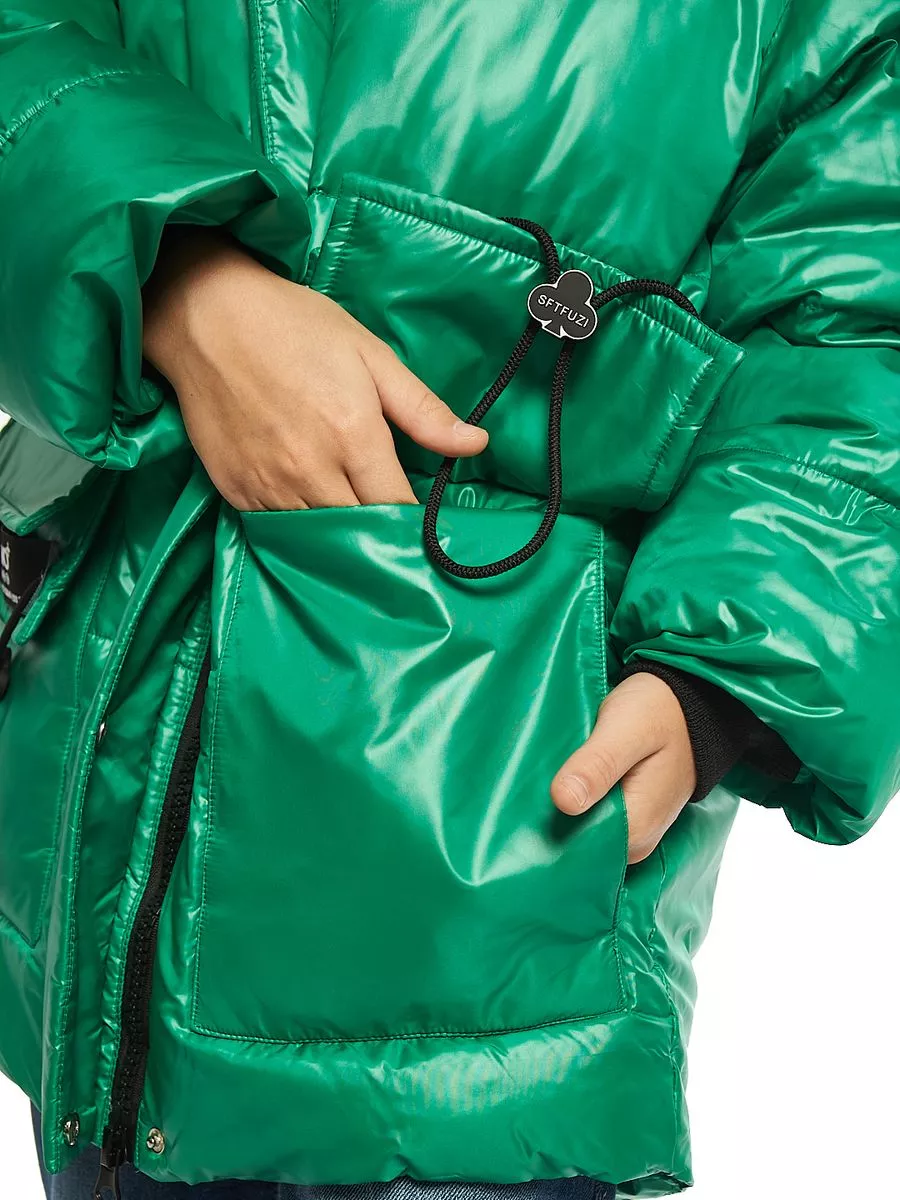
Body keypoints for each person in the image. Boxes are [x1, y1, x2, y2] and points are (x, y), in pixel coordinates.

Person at [0, 1, 897, 1197]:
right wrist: (174, 276)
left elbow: (860, 316)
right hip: (89, 849)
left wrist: (725, 675)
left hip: (487, 915)